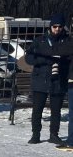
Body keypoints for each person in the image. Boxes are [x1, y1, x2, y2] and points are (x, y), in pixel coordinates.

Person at [24, 14, 69, 145]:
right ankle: (35, 134)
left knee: (56, 110)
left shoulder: (66, 41)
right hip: (41, 79)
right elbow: (28, 58)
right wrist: (44, 59)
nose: (57, 29)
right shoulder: (40, 41)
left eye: (60, 27)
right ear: (50, 27)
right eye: (55, 26)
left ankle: (54, 134)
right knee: (37, 109)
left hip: (58, 79)